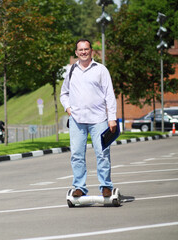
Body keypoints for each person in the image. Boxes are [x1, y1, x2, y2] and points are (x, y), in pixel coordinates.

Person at [60, 39, 117, 198]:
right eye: (80, 50)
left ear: (91, 51)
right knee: (77, 154)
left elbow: (109, 96)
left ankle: (106, 185)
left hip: (99, 119)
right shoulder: (71, 70)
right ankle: (79, 187)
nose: (83, 52)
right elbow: (64, 93)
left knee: (102, 153)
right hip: (77, 121)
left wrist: (111, 118)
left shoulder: (101, 70)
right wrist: (68, 108)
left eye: (86, 49)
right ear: (76, 53)